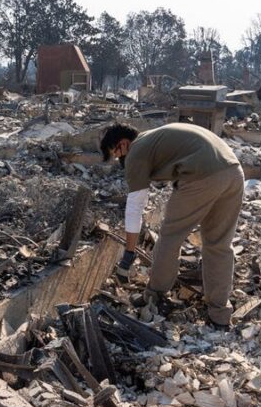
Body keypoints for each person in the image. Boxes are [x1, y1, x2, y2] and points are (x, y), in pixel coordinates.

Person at [100, 122, 244, 327]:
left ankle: (154, 296)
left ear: (123, 143)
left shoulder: (136, 151)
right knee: (219, 244)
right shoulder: (155, 137)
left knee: (170, 236)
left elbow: (134, 207)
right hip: (233, 172)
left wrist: (128, 255)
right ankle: (219, 314)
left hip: (201, 175)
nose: (118, 159)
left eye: (115, 154)